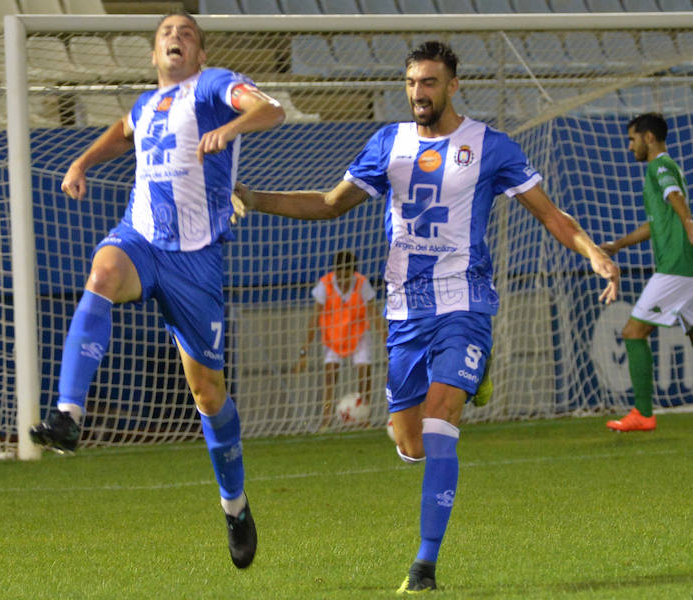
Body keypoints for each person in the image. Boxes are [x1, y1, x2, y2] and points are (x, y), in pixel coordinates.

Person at [234, 40, 619, 593]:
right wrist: (256, 196)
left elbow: (550, 214)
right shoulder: (387, 142)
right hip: (404, 308)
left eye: (430, 83)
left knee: (441, 426)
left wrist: (594, 253)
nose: (419, 93)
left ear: (453, 85)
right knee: (409, 441)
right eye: (412, 83)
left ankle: (424, 565)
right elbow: (329, 203)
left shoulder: (490, 146)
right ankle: (468, 380)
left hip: (465, 297)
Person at [28, 11, 285, 569]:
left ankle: (235, 505)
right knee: (99, 275)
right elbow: (123, 132)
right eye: (167, 32)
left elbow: (273, 109)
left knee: (208, 396)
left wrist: (231, 128)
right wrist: (82, 160)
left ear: (199, 52)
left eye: (187, 32)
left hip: (196, 262)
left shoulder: (215, 85)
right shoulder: (146, 106)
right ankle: (69, 413)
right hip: (141, 238)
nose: (176, 37)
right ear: (153, 53)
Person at [601, 113, 693, 433]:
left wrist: (689, 223)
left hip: (676, 268)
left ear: (649, 137)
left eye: (632, 139)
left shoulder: (660, 166)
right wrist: (618, 244)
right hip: (685, 267)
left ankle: (643, 412)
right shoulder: (662, 170)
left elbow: (674, 196)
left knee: (633, 332)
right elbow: (655, 224)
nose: (630, 147)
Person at [296, 250, 383, 429]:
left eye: (347, 277)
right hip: (332, 336)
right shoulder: (325, 284)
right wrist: (304, 350)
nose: (343, 281)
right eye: (340, 276)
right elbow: (315, 317)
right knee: (330, 375)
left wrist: (388, 341)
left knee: (364, 372)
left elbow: (374, 314)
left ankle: (364, 417)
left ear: (353, 273)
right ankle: (326, 418)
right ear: (335, 271)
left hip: (357, 335)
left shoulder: (362, 283)